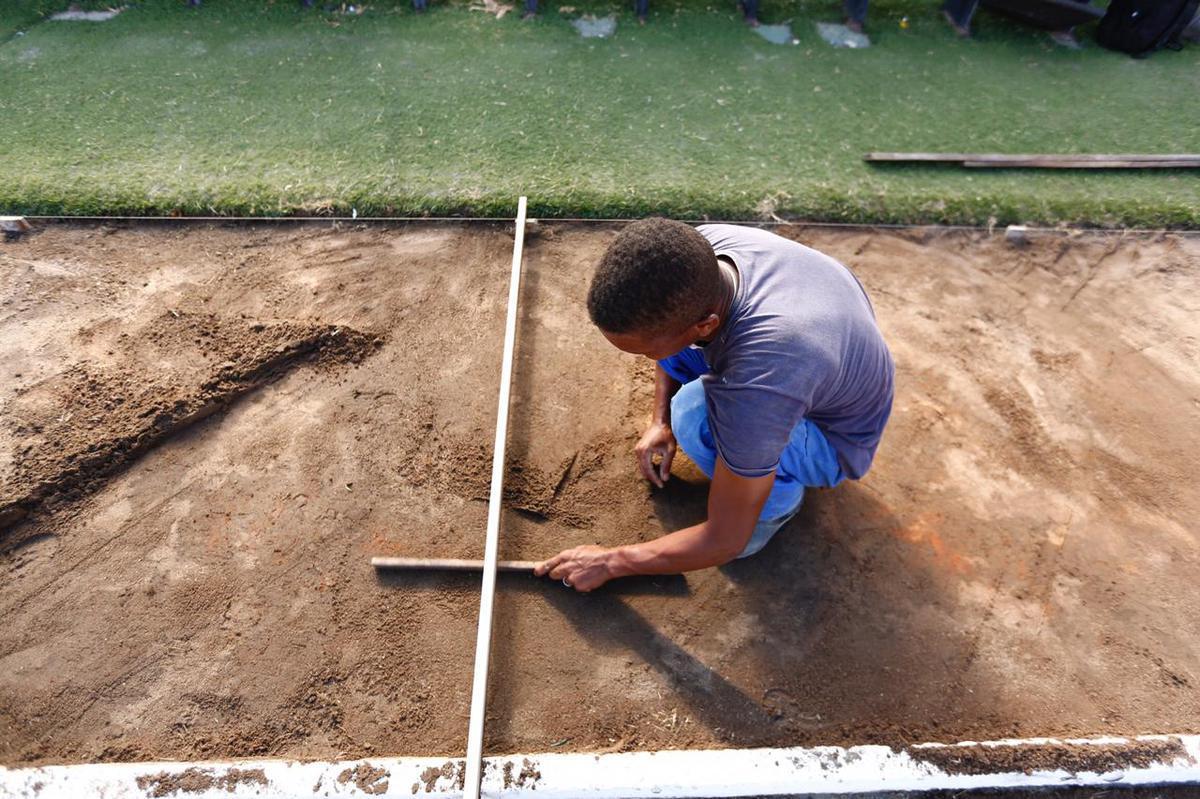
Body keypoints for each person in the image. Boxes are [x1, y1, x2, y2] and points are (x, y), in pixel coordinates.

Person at [534, 220, 895, 592]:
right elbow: (676, 342)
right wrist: (659, 422)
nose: (644, 359)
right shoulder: (699, 252)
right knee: (682, 382)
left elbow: (724, 540)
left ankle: (776, 508)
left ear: (706, 324)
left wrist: (611, 562)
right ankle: (731, 445)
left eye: (645, 350)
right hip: (825, 365)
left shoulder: (762, 381)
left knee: (693, 415)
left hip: (835, 440)